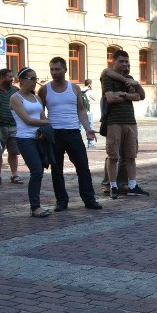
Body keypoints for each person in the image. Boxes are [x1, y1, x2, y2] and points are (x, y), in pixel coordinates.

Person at [38, 57, 102, 211]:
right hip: (55, 134)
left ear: (65, 70)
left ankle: (89, 199)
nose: (55, 72)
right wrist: (44, 128)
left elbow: (81, 109)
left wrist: (87, 128)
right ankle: (61, 200)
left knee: (83, 168)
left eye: (58, 69)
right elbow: (40, 112)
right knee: (56, 170)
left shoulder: (74, 88)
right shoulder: (45, 89)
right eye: (52, 69)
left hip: (73, 132)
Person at [102, 50, 148, 199]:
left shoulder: (130, 78)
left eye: (127, 62)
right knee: (113, 155)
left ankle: (133, 185)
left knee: (131, 155)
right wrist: (129, 96)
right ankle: (112, 186)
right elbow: (110, 98)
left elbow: (140, 96)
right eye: (121, 61)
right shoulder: (108, 76)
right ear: (113, 62)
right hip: (114, 121)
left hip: (130, 121)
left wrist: (130, 90)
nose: (125, 64)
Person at [9, 68, 53, 217]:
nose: (35, 82)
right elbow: (27, 120)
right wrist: (47, 123)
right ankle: (35, 207)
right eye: (32, 78)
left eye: (36, 78)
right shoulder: (16, 98)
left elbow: (42, 117)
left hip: (38, 138)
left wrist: (43, 128)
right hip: (25, 138)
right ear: (22, 80)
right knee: (36, 171)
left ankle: (36, 205)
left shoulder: (36, 98)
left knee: (40, 170)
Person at [0, 68, 22, 185]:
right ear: (2, 78)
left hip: (14, 125)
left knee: (14, 152)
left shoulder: (15, 91)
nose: (12, 79)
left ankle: (14, 174)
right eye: (9, 77)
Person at [82, 79, 96, 147]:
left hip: (81, 112)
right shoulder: (90, 91)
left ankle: (79, 143)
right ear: (90, 84)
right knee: (90, 127)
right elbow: (94, 98)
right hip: (89, 112)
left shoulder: (80, 90)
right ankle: (90, 144)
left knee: (80, 127)